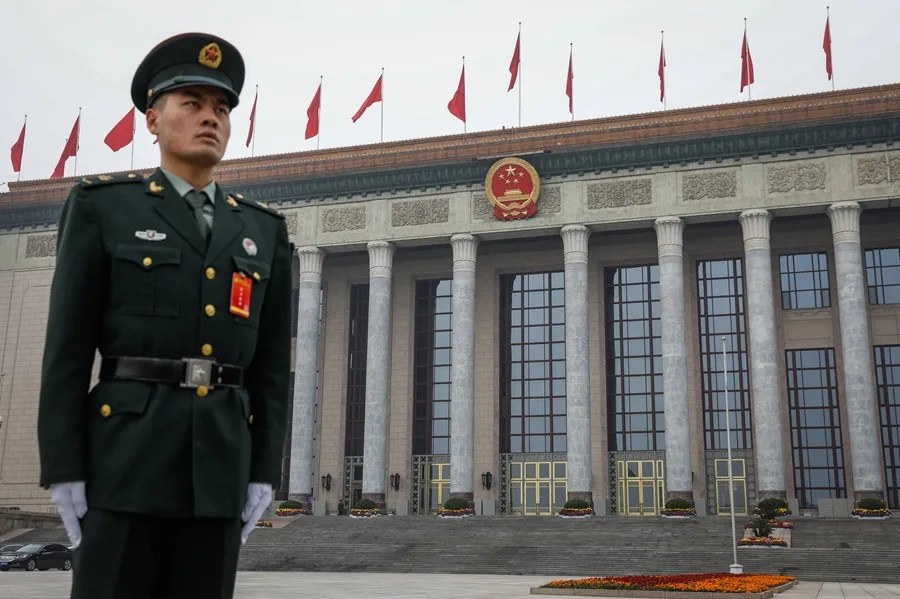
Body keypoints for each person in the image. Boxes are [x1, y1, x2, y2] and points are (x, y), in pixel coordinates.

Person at [37, 32, 292, 599]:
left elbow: (272, 371)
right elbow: (67, 352)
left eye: (221, 109)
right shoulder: (104, 207)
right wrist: (63, 463)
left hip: (219, 467)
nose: (211, 119)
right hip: (125, 461)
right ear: (153, 119)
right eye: (193, 105)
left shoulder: (262, 231)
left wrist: (261, 471)